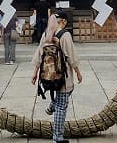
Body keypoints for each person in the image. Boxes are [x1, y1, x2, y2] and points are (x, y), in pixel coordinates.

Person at [31, 12, 82, 143]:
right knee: (62, 106)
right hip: (63, 76)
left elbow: (39, 54)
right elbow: (71, 55)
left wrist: (35, 73)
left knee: (62, 99)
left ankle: (52, 105)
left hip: (48, 75)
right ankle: (57, 138)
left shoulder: (46, 34)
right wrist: (77, 71)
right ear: (63, 21)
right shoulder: (65, 35)